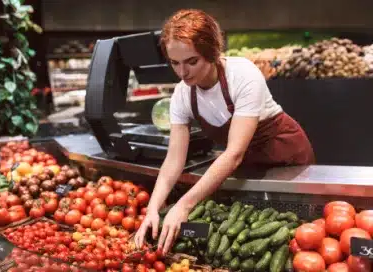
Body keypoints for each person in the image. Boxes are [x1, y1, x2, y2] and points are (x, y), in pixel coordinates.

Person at [134, 9, 315, 254]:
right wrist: (153, 209)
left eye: (192, 61)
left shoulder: (243, 75)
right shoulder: (183, 94)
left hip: (286, 157)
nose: (182, 73)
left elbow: (233, 153)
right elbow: (173, 161)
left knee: (299, 229)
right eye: (174, 63)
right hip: (247, 165)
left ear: (212, 52)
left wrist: (184, 205)